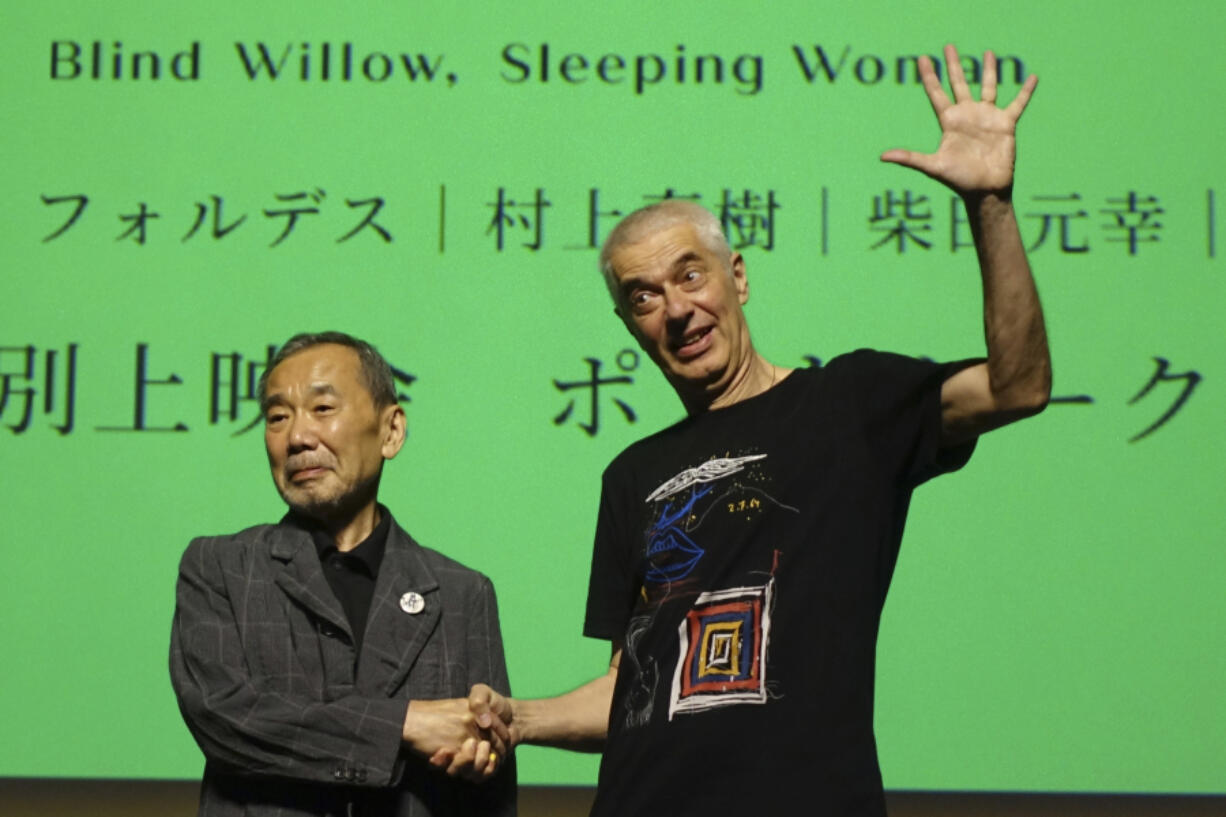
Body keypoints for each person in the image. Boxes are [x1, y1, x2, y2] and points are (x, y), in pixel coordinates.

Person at [447, 45, 1052, 815]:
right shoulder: (632, 473)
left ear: (738, 275)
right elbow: (635, 683)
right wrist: (519, 716)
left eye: (690, 274)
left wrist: (990, 204)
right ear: (629, 324)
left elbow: (1019, 384)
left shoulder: (852, 403)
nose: (674, 307)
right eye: (643, 296)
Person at [170, 331, 514, 817]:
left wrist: (482, 748)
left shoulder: (462, 594)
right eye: (276, 417)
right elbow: (227, 721)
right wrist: (403, 725)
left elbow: (490, 793)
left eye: (323, 410)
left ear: (391, 431)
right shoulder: (221, 568)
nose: (297, 437)